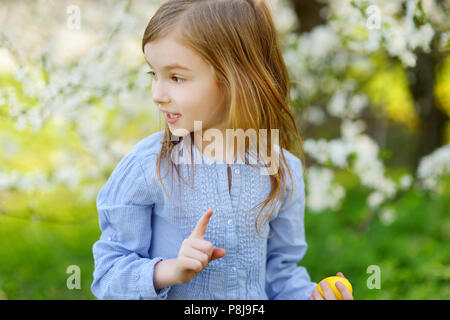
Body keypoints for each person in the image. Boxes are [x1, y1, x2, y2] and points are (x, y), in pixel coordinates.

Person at [91, 0, 353, 300]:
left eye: (176, 77)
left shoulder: (282, 171)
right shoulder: (145, 167)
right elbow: (108, 276)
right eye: (154, 74)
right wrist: (170, 270)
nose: (157, 95)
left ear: (235, 78)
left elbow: (280, 277)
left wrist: (312, 296)